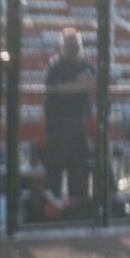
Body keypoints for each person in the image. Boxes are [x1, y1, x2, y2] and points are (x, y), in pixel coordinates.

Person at [43, 29, 95, 201]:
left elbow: (94, 83)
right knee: (56, 165)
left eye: (75, 43)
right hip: (58, 122)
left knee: (79, 165)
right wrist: (77, 85)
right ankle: (53, 203)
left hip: (79, 121)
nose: (73, 47)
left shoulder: (85, 65)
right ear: (62, 46)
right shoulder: (55, 65)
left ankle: (78, 203)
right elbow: (58, 89)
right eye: (69, 43)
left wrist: (77, 86)